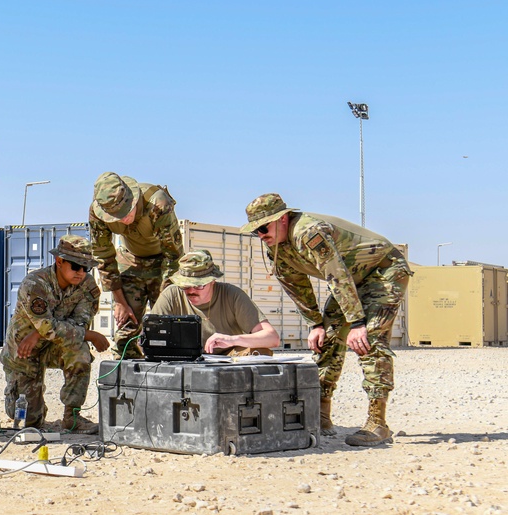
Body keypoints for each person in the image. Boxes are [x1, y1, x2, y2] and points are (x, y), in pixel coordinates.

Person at [241, 193, 412, 446]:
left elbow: (336, 273)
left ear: (283, 219)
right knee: (328, 340)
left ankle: (378, 422)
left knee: (369, 339)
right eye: (255, 231)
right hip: (352, 281)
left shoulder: (309, 232)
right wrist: (316, 324)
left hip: (383, 270)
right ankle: (320, 415)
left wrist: (356, 324)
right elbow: (296, 286)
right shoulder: (276, 248)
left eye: (264, 227)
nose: (261, 234)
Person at [0, 234, 110, 434]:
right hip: (24, 352)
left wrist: (40, 333)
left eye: (86, 268)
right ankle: (30, 402)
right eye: (76, 266)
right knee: (29, 422)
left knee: (79, 349)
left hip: (52, 346)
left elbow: (78, 325)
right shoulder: (35, 284)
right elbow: (59, 327)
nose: (81, 273)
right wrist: (90, 335)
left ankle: (72, 417)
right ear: (59, 262)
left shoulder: (88, 287)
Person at [89, 172, 184, 359]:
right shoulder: (97, 212)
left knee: (166, 326)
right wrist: (120, 301)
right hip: (131, 261)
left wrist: (164, 301)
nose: (122, 219)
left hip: (163, 263)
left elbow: (173, 257)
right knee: (127, 329)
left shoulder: (158, 203)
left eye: (125, 212)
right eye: (114, 216)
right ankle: (126, 376)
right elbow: (103, 256)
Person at [151, 250, 280, 355]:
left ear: (213, 281)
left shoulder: (232, 295)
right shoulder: (171, 295)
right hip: (184, 358)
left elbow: (272, 338)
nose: (191, 291)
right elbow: (150, 335)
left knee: (260, 352)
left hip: (229, 359)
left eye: (198, 285)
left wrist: (232, 340)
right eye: (185, 286)